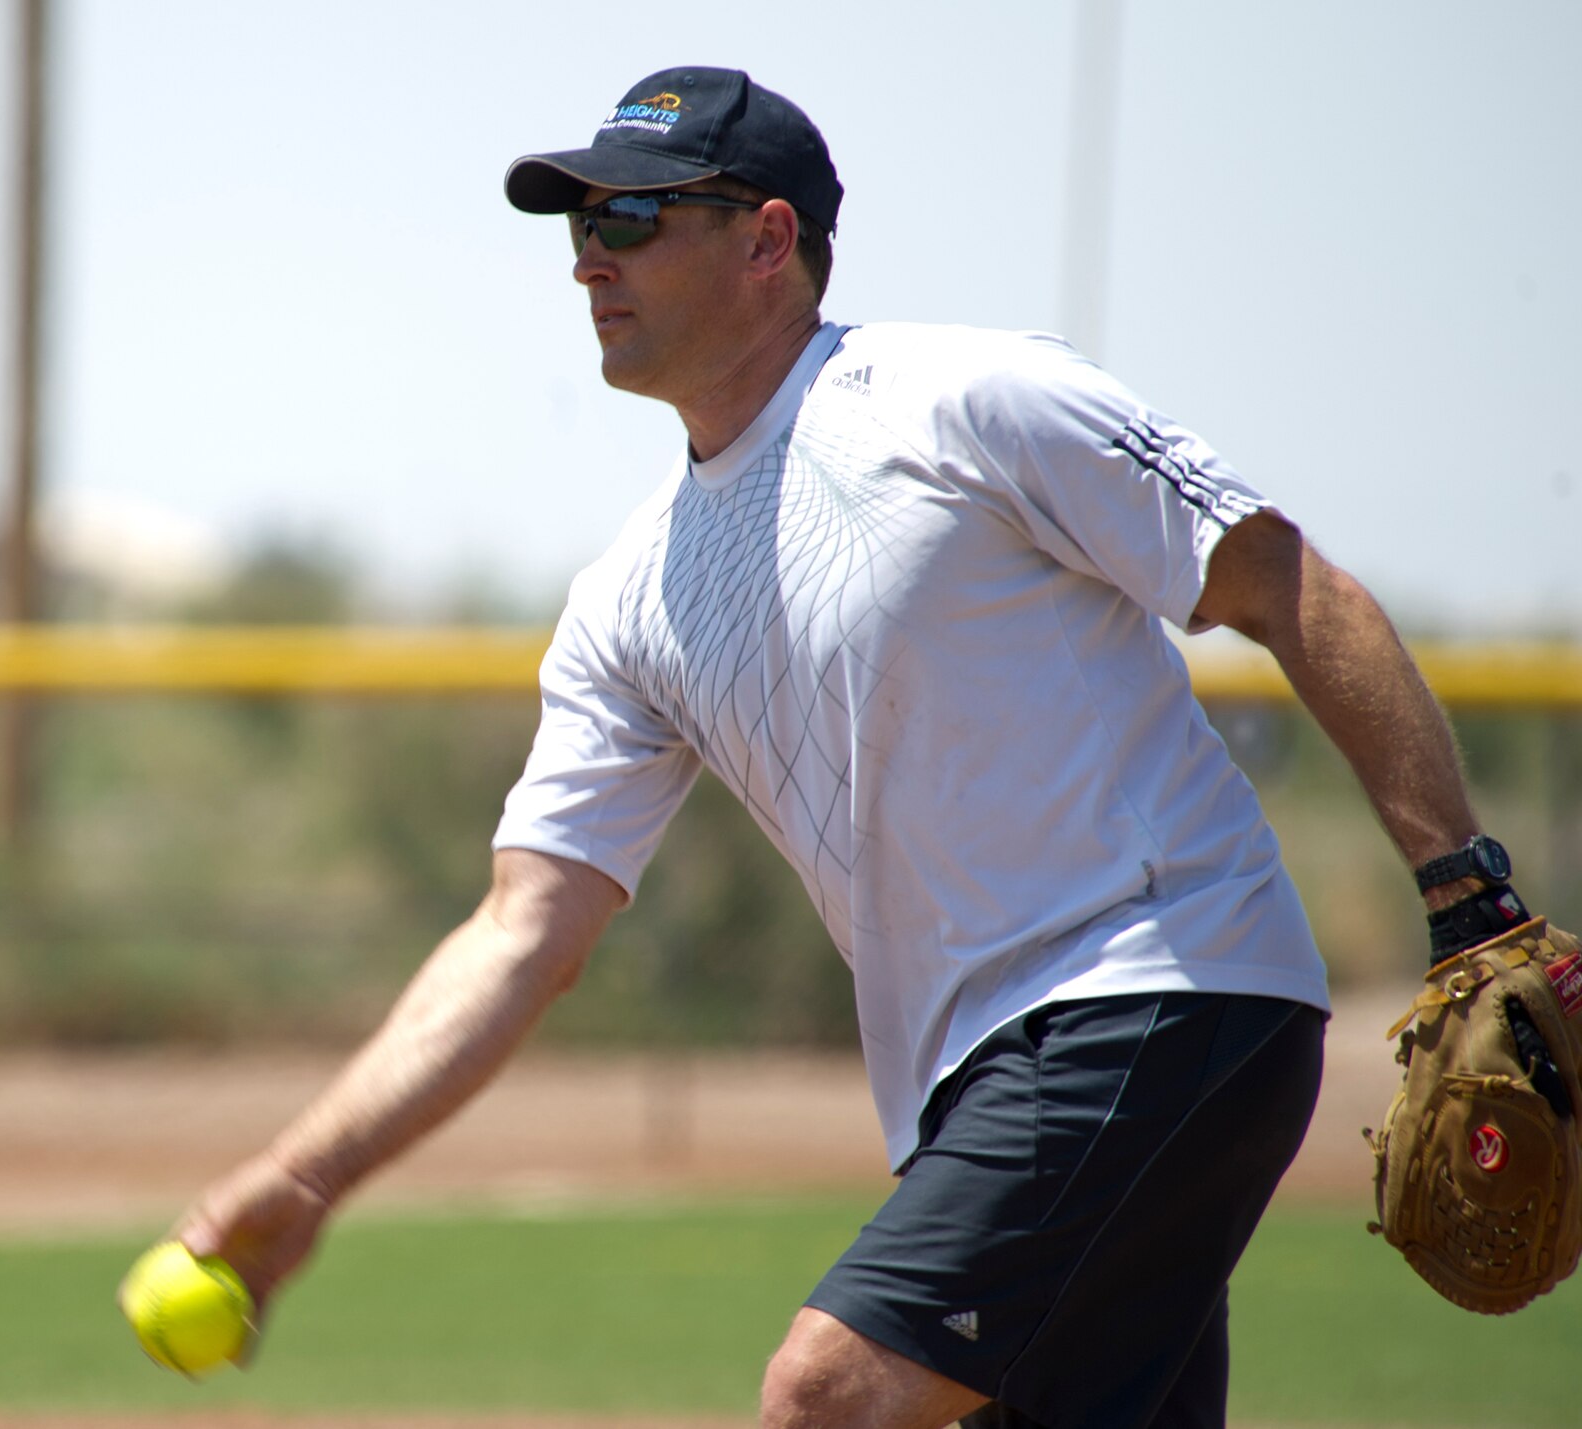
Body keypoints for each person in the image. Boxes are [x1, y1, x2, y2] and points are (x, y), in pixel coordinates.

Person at [172, 67, 1535, 1428]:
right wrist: (306, 1172)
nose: (591, 256)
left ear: (770, 239)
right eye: (577, 224)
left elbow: (1287, 587)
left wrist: (1467, 898)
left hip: (1161, 985)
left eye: (634, 217)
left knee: (824, 1394)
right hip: (983, 1075)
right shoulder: (626, 601)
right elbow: (528, 929)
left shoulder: (969, 400)